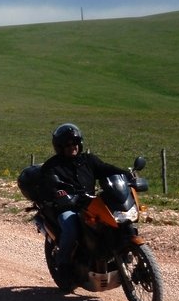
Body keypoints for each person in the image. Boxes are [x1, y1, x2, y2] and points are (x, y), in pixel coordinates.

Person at [40, 123, 126, 291]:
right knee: (71, 228)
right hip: (67, 208)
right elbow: (47, 187)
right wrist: (59, 195)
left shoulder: (88, 160)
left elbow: (107, 169)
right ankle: (63, 264)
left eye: (75, 143)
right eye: (68, 144)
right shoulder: (52, 167)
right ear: (60, 147)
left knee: (114, 222)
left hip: (91, 204)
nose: (72, 147)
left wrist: (127, 175)